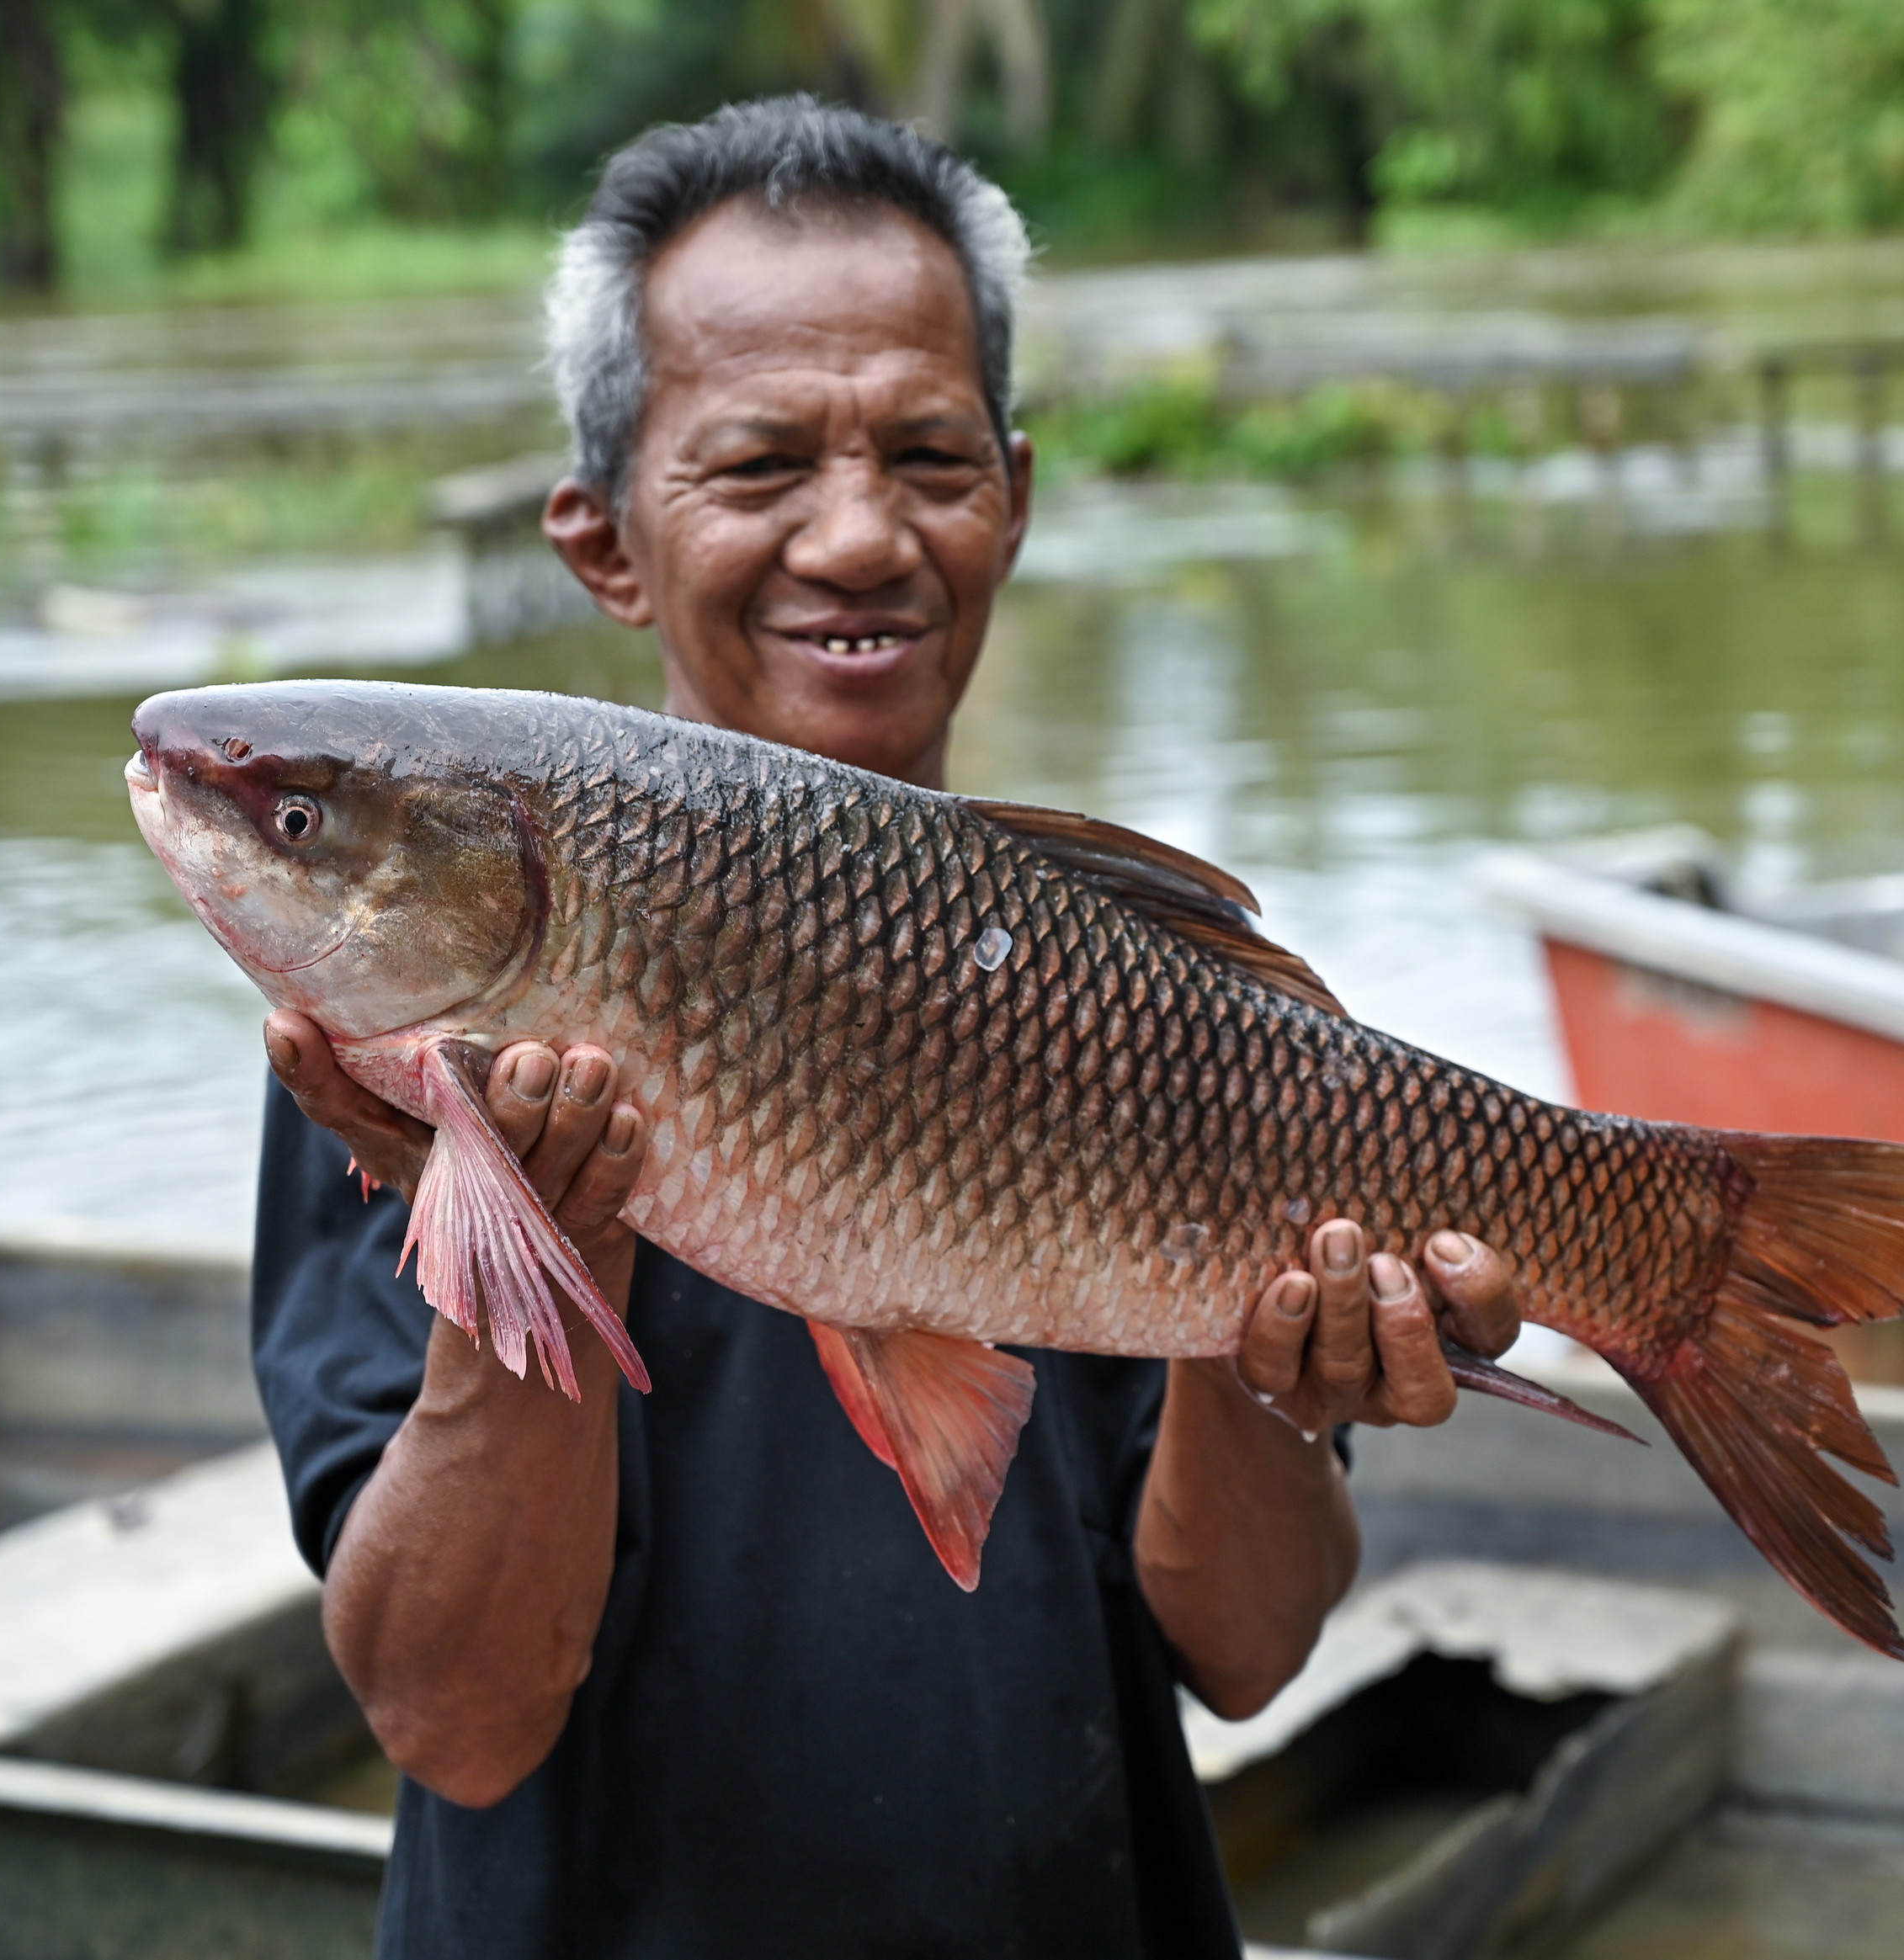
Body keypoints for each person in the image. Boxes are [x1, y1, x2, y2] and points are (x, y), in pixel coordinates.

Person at [251, 97, 1525, 1959]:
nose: (855, 537)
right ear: (602, 541)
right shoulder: (397, 1038)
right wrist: (527, 1258)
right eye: (760, 464)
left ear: (1010, 495)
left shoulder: (1121, 1001)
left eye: (926, 454)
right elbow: (454, 1713)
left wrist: (1268, 1360)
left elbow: (1240, 1649)